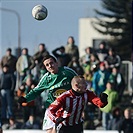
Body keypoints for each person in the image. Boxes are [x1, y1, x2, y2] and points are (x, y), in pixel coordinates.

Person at [18, 55, 77, 133]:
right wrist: (25, 98)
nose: (50, 66)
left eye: (51, 63)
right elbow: (36, 90)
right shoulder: (46, 78)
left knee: (62, 130)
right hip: (51, 107)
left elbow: (80, 83)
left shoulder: (67, 72)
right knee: (49, 131)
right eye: (47, 65)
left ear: (56, 63)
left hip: (67, 107)